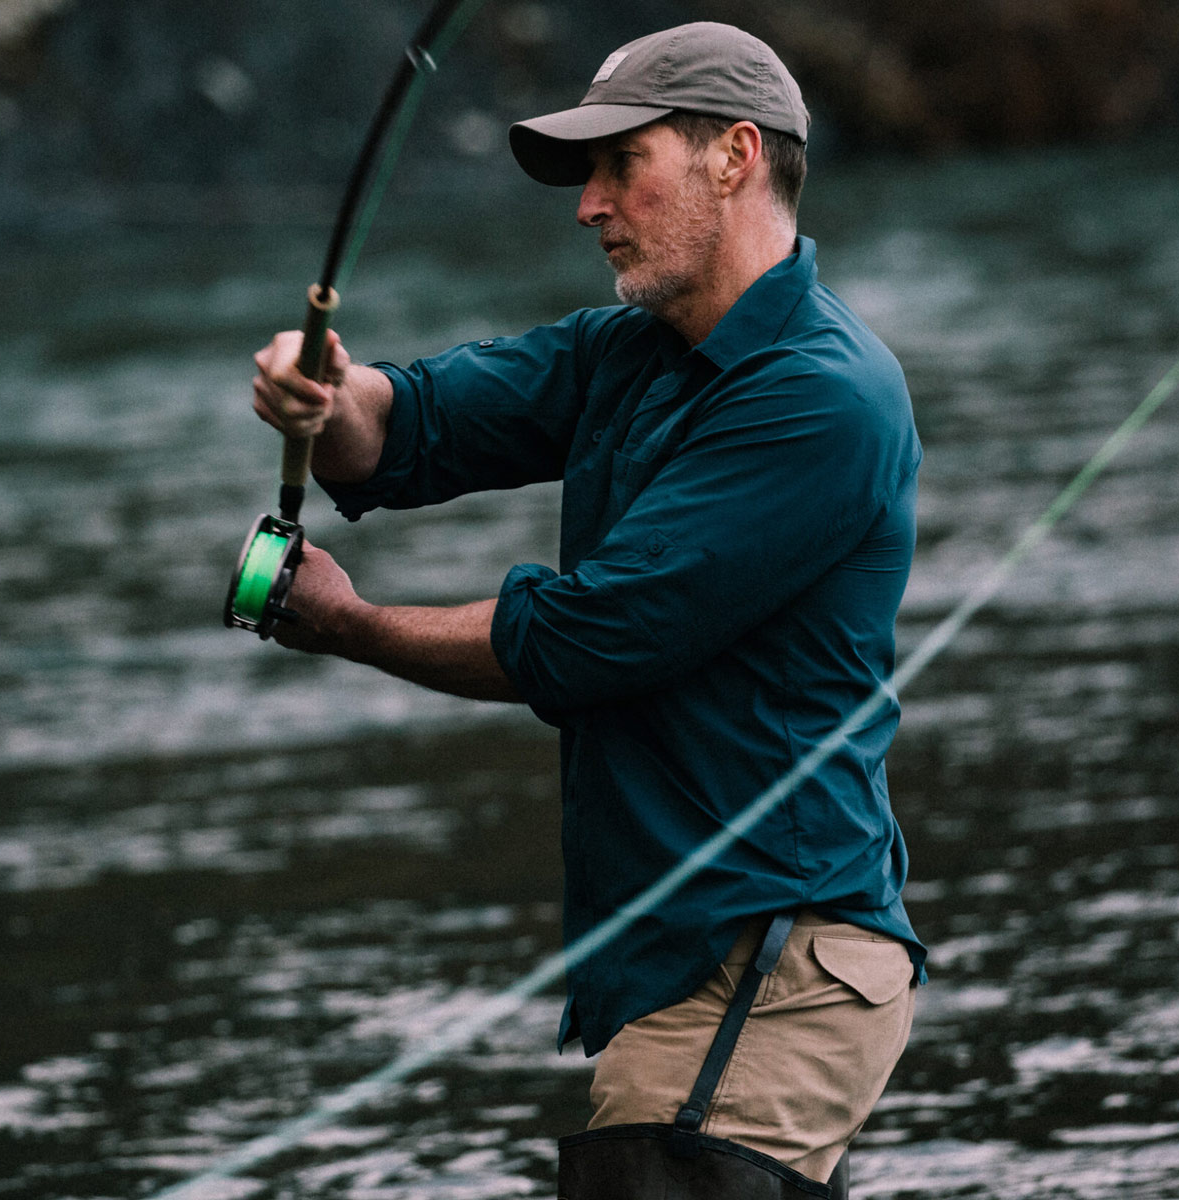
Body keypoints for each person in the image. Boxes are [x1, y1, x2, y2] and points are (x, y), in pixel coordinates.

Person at [251, 21, 925, 1194]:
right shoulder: (627, 352)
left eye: (623, 164)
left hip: (775, 966)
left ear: (735, 156)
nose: (589, 205)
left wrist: (352, 625)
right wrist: (327, 397)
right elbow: (412, 425)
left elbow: (588, 638)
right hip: (691, 967)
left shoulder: (822, 398)